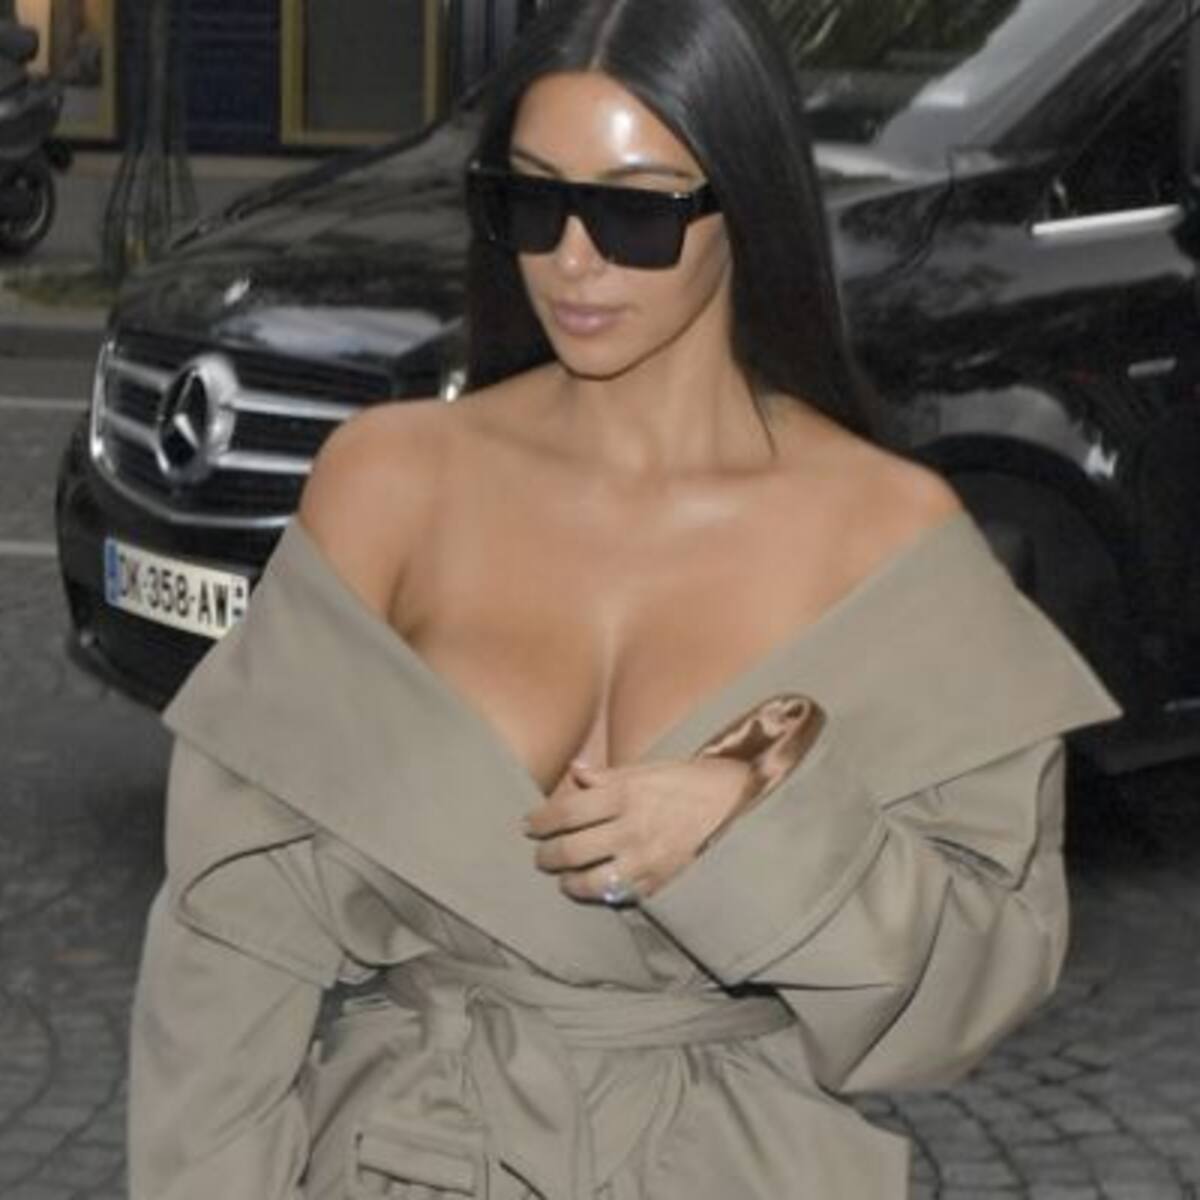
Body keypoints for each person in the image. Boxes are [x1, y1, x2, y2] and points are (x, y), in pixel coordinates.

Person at [126, 0, 1120, 1196]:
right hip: (414, 1157)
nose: (572, 260)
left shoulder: (888, 536)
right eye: (531, 201)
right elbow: (229, 940)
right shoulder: (390, 482)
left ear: (746, 204)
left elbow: (979, 980)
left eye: (636, 211)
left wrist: (758, 833)